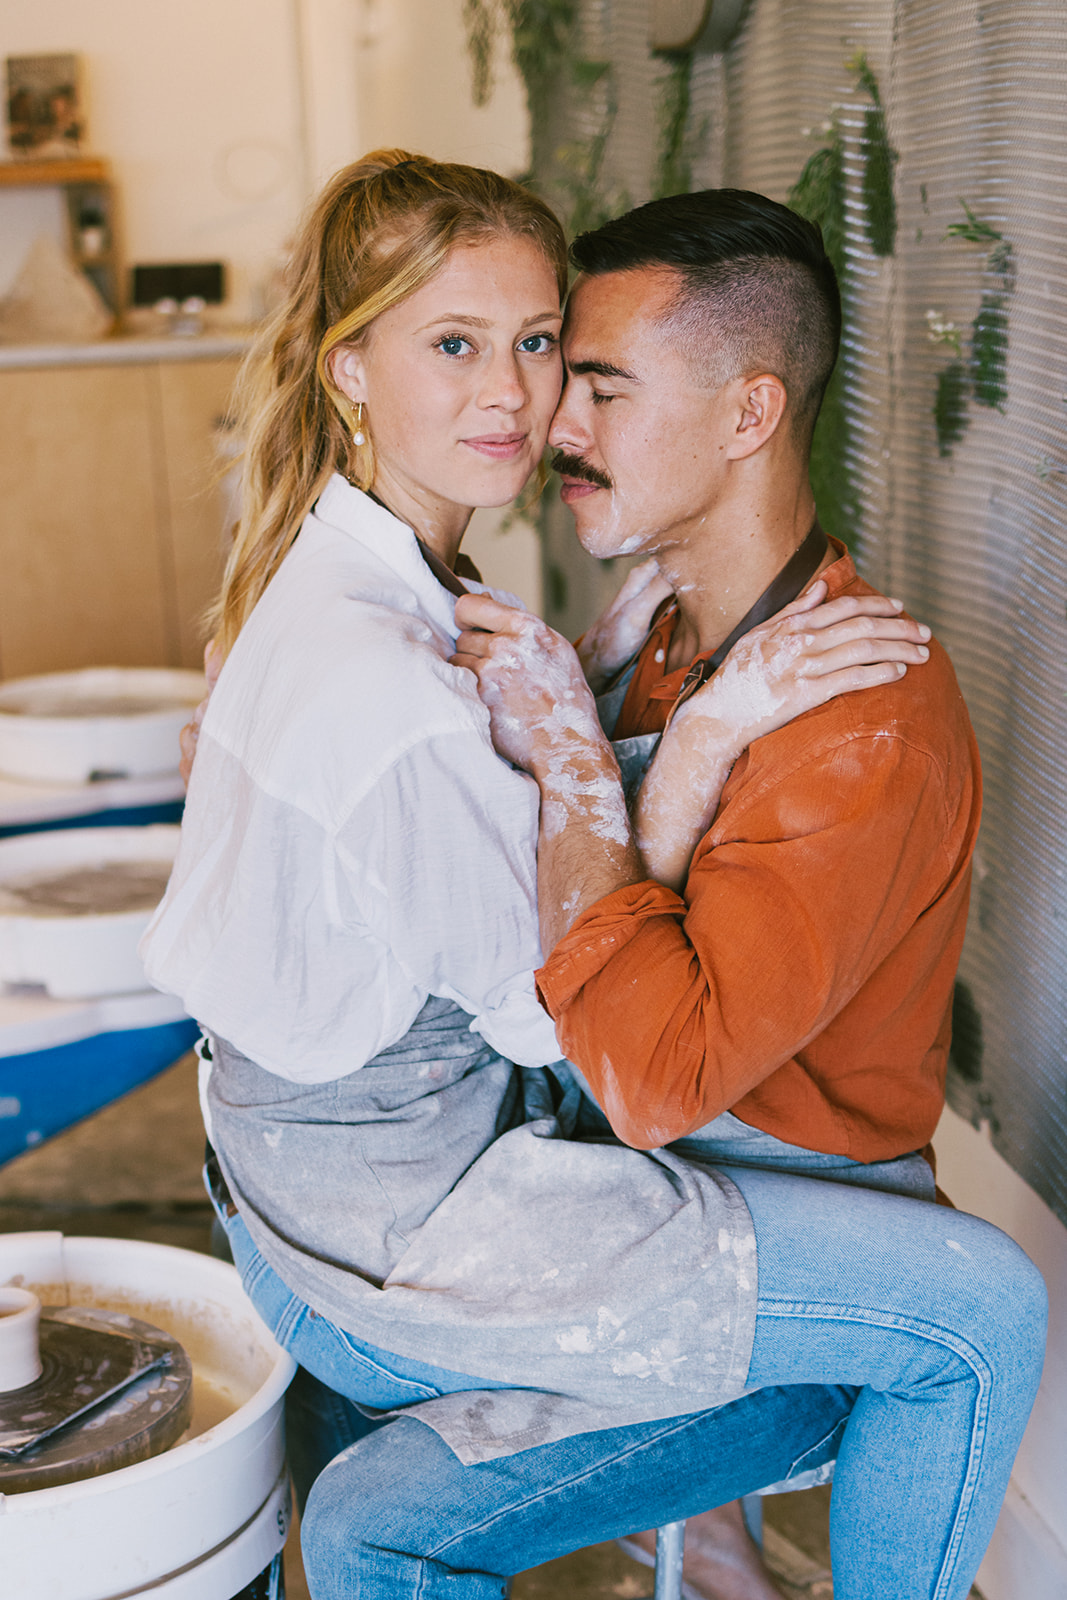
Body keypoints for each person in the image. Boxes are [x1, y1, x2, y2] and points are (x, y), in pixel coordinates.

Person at [142, 153, 1045, 1600]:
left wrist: (603, 745)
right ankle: (708, 1529)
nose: (537, 408)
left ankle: (710, 1528)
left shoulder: (838, 710)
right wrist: (639, 744)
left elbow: (636, 1046)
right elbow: (573, 1004)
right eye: (464, 346)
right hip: (435, 1199)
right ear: (352, 371)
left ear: (747, 412)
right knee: (981, 1312)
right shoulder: (549, 649)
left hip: (580, 1159)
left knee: (967, 1312)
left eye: (567, 361)